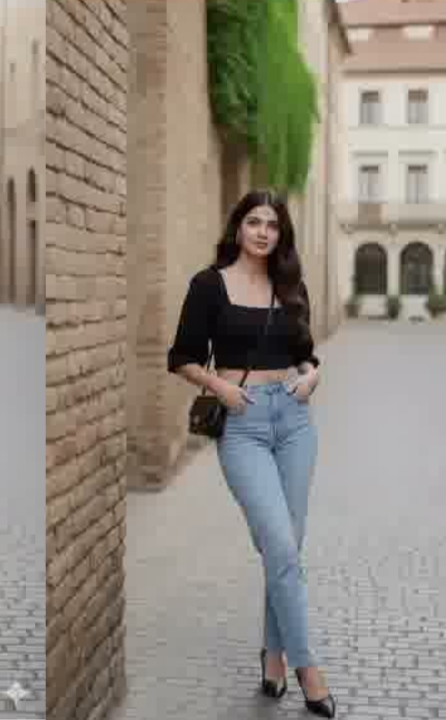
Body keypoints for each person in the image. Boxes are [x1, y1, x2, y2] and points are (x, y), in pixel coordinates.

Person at [167, 189, 335, 718]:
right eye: (254, 222)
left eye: (273, 225)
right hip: (241, 425)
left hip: (294, 420)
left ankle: (273, 657)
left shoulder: (290, 286)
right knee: (280, 546)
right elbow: (181, 357)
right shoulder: (208, 285)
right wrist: (220, 388)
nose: (264, 231)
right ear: (238, 227)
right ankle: (308, 668)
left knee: (285, 552)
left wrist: (312, 377)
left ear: (280, 235)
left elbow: (307, 355)